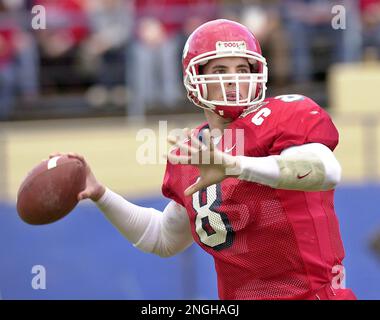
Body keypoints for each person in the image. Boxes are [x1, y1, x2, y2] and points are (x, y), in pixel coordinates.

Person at [51, 19, 356, 300]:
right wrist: (102, 194)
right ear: (194, 78)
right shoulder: (194, 149)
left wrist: (237, 166)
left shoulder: (284, 115)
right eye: (220, 70)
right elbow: (161, 238)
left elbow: (326, 171)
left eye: (242, 69)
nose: (234, 81)